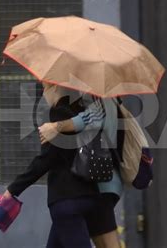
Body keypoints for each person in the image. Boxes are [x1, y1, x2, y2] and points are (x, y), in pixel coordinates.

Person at [2, 83, 104, 248]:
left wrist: (13, 189)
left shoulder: (56, 114)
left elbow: (46, 159)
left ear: (56, 88)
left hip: (67, 200)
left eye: (45, 88)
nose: (43, 93)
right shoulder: (82, 113)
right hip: (88, 194)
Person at [38, 94, 124, 248]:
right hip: (106, 183)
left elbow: (92, 118)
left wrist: (56, 126)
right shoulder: (112, 101)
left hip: (95, 184)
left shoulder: (95, 102)